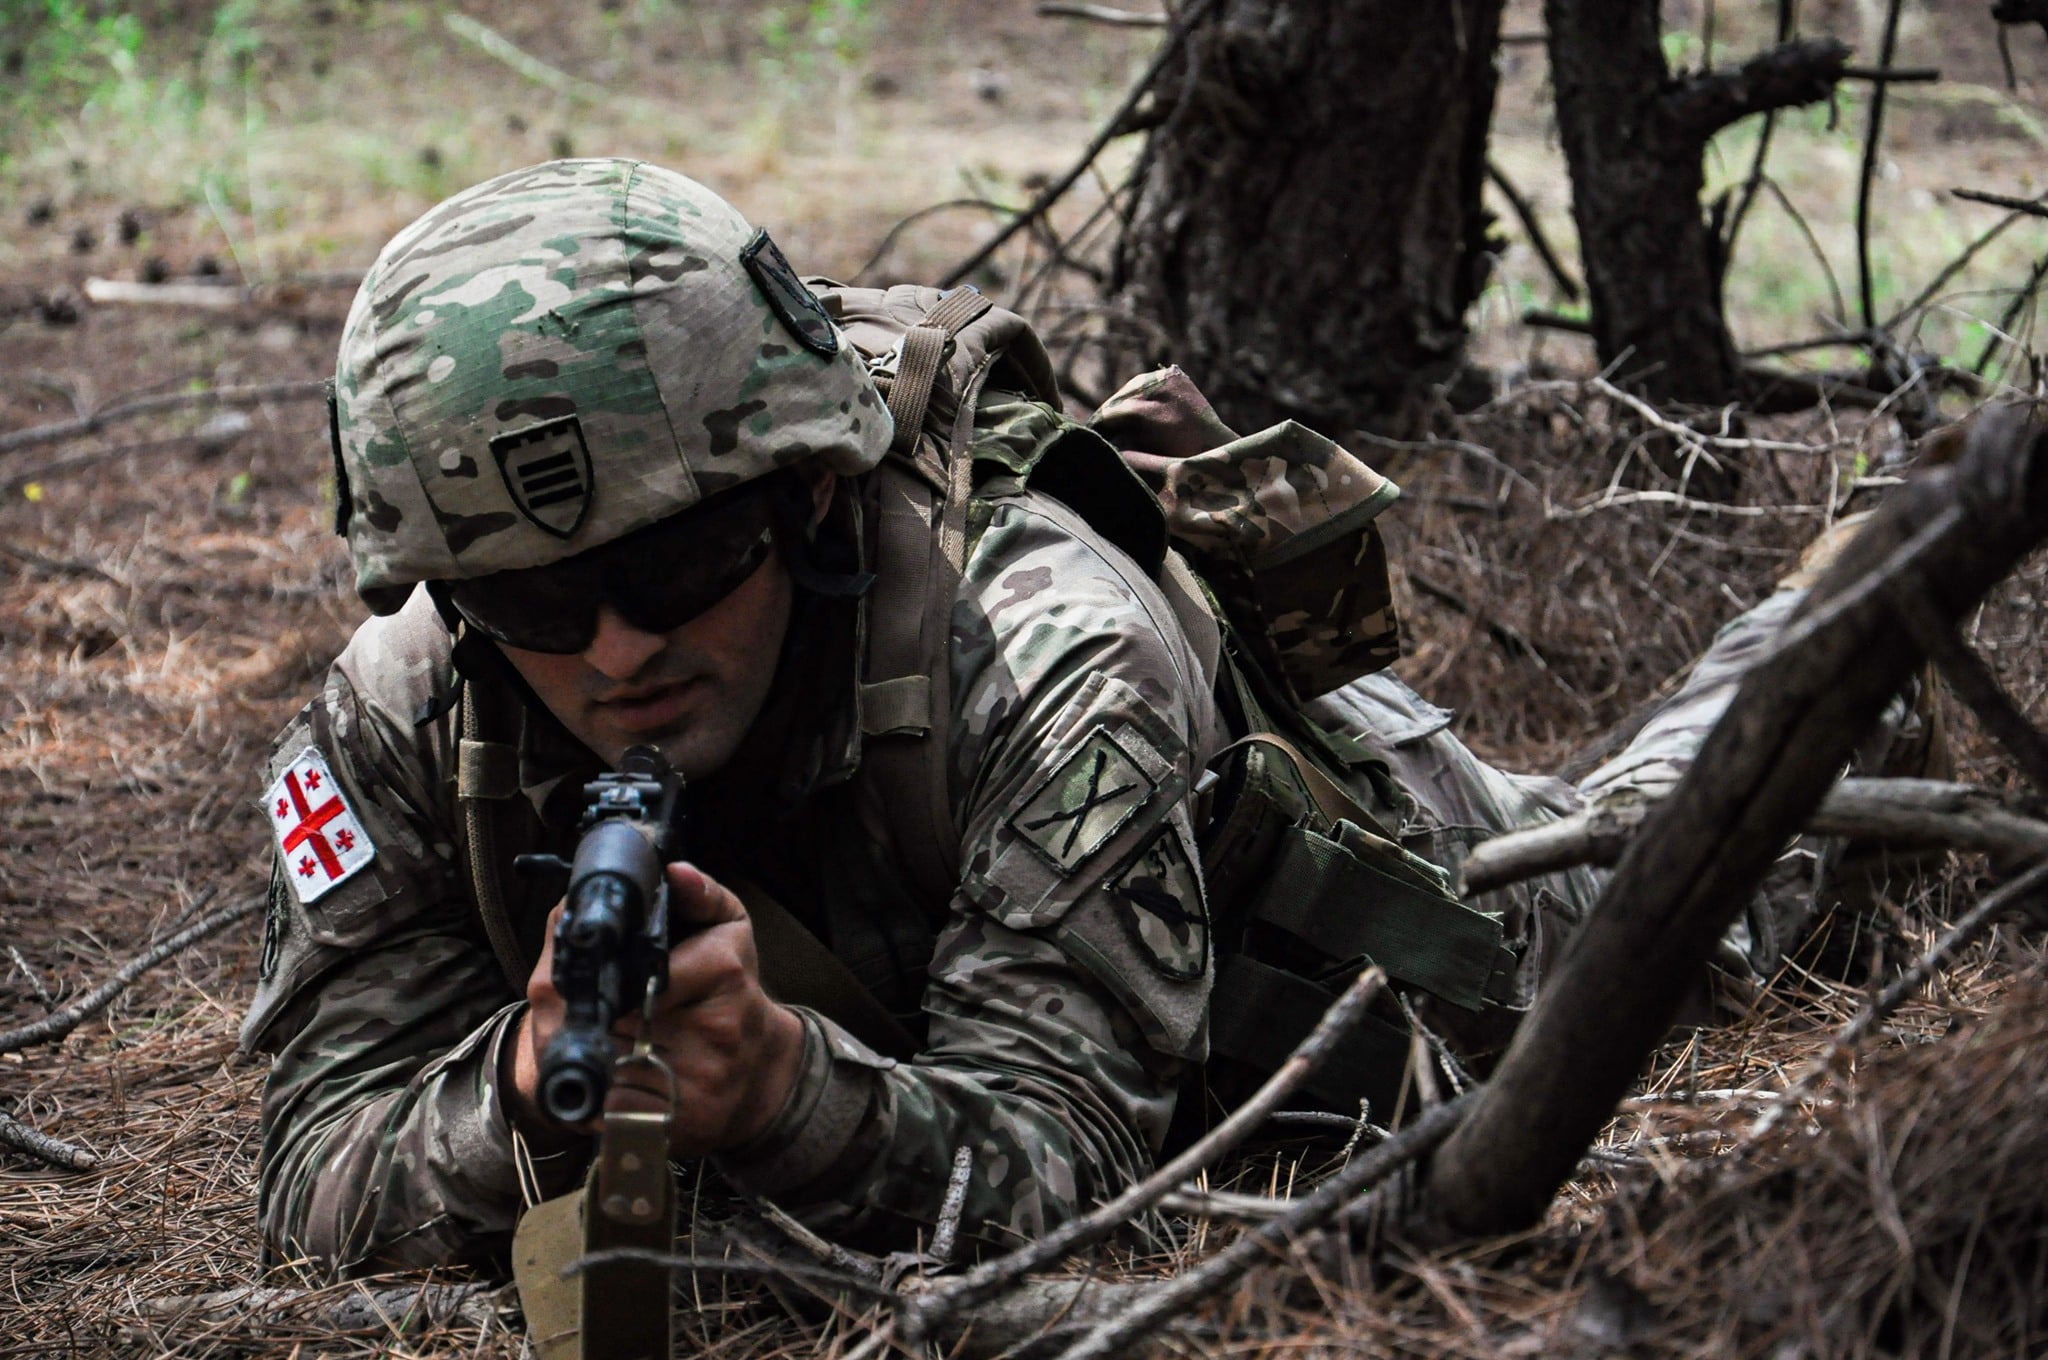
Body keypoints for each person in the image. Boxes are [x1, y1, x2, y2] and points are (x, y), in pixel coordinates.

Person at [243, 158, 1911, 1279]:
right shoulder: (407, 706)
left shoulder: (1045, 650)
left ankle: (1884, 578)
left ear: (807, 501)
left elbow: (1078, 1173)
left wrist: (781, 1097)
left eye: (677, 564)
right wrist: (521, 1096)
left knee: (1708, 847)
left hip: (1381, 892)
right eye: (537, 605)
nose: (616, 652)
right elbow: (312, 1162)